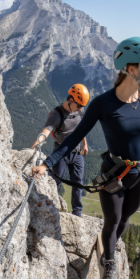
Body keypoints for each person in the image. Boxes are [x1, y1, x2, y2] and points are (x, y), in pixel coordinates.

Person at [31, 37, 140, 279]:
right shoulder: (103, 104)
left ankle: (111, 246)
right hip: (114, 175)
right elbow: (74, 138)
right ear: (131, 69)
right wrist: (47, 164)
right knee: (112, 222)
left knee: (125, 219)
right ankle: (109, 261)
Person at [31, 84, 90, 217]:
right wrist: (31, 150)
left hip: (76, 151)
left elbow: (81, 128)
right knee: (56, 181)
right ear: (70, 100)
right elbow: (44, 133)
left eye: (82, 106)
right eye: (79, 105)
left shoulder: (79, 110)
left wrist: (84, 144)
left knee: (78, 183)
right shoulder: (56, 114)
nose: (81, 108)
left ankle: (77, 212)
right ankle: (52, 208)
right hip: (60, 152)